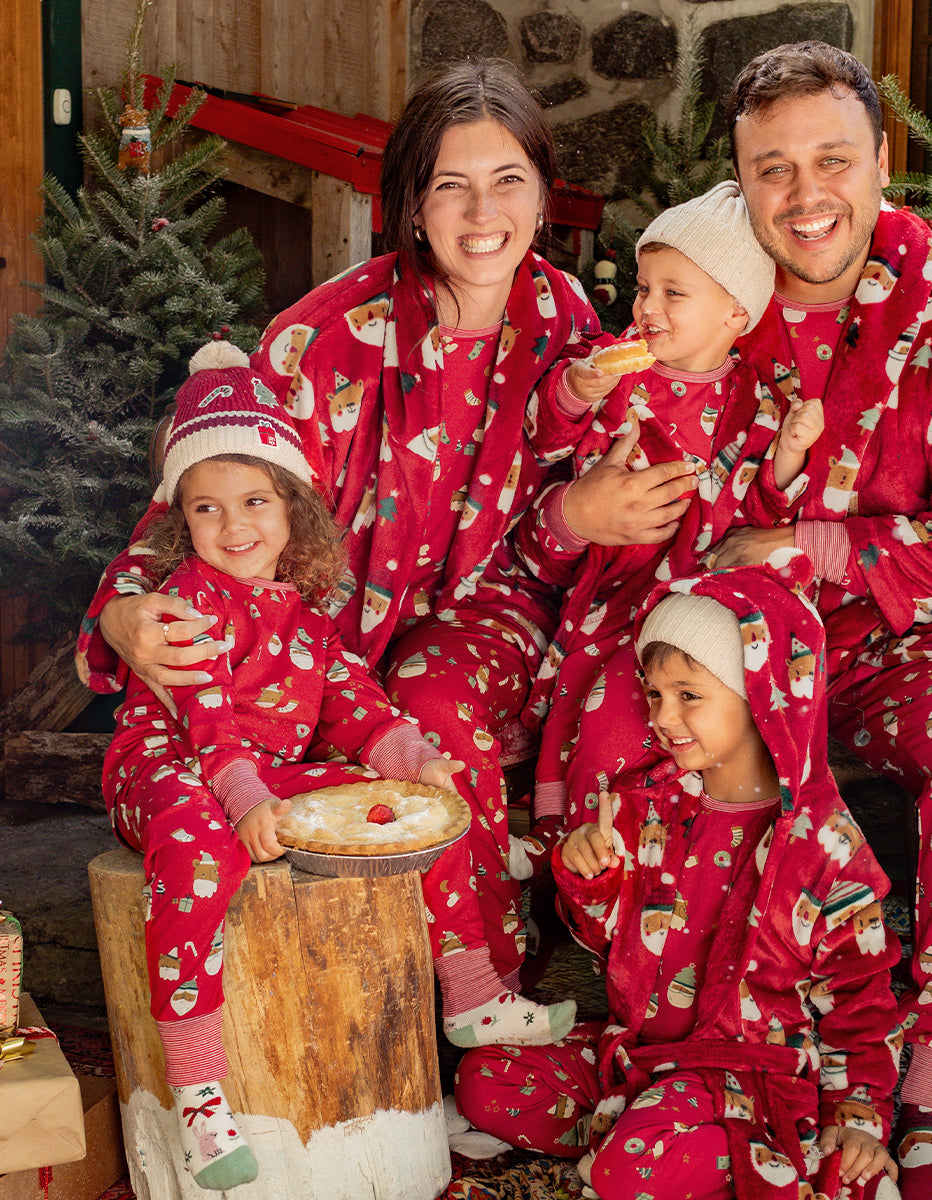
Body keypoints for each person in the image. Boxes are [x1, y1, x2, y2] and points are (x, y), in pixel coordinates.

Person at [78, 59, 663, 1049]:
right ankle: (376, 1037)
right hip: (324, 631)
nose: (484, 212)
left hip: (486, 609)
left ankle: (481, 1013)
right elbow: (208, 498)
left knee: (436, 705)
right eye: (451, 184)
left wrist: (579, 519)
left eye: (509, 180)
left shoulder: (565, 322)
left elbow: (553, 529)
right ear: (411, 204)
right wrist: (124, 611)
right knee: (353, 715)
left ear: (542, 193)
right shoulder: (321, 341)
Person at [703, 41, 932, 1200]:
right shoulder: (703, 301)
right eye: (773, 169)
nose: (806, 197)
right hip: (743, 650)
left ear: (883, 161)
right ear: (741, 178)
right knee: (622, 708)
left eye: (831, 160)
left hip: (915, 649)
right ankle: (697, 1060)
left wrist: (826, 549)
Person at [100, 343, 466, 1190]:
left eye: (255, 501)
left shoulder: (302, 617)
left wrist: (413, 758)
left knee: (404, 806)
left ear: (293, 506)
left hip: (256, 778)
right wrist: (239, 800)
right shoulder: (187, 603)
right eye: (207, 510)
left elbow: (356, 703)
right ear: (179, 522)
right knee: (197, 848)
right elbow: (208, 722)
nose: (235, 529)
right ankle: (198, 1092)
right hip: (169, 770)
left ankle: (472, 983)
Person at [456, 562, 903, 1200]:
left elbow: (861, 999)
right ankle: (689, 1154)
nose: (665, 717)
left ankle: (710, 1153)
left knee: (628, 1170)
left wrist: (857, 1115)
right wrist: (594, 881)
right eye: (655, 694)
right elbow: (606, 943)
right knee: (485, 1080)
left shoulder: (823, 846)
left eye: (690, 694)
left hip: (742, 1074)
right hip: (634, 1060)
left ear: (761, 690)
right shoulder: (644, 806)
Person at [515, 180, 823, 841]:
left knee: (701, 723)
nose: (647, 306)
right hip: (624, 592)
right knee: (606, 719)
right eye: (643, 287)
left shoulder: (758, 401)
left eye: (672, 292)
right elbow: (547, 439)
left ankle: (691, 845)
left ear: (735, 313)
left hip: (708, 602)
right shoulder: (619, 375)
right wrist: (576, 389)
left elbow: (763, 510)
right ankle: (581, 848)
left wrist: (789, 456)